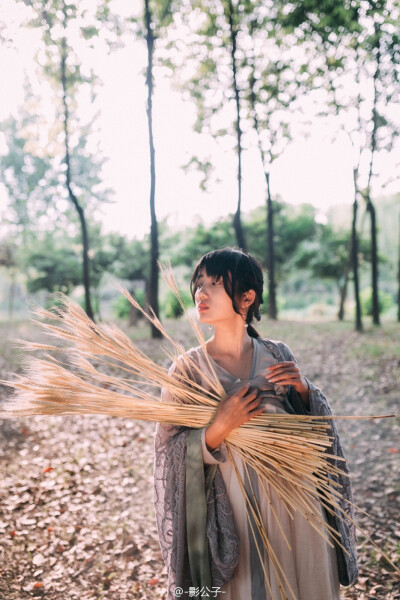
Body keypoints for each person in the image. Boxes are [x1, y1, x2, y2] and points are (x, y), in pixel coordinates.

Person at [154, 248, 358, 600]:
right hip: (232, 515)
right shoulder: (187, 371)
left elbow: (314, 429)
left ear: (246, 297)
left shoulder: (278, 354)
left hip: (297, 509)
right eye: (199, 284)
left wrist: (305, 391)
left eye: (215, 284)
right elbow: (166, 453)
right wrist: (220, 427)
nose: (201, 293)